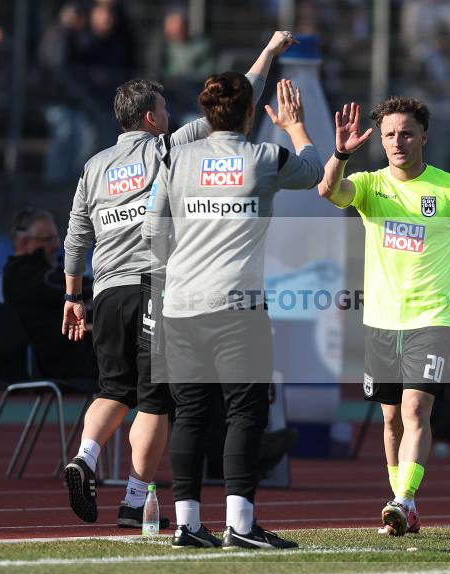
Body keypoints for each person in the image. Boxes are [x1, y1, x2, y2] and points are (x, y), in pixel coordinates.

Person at [60, 32, 297, 530]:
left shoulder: (93, 167)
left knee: (112, 389)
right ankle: (134, 499)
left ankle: (85, 454)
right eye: (164, 108)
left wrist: (73, 294)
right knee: (155, 400)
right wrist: (269, 53)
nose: (169, 115)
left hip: (107, 290)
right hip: (155, 285)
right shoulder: (170, 149)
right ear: (151, 118)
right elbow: (236, 100)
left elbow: (77, 234)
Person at [317, 97, 450, 536]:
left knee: (414, 408)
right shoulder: (369, 185)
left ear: (424, 136)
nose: (397, 142)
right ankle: (403, 505)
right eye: (389, 134)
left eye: (406, 133)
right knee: (390, 419)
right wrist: (340, 154)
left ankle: (404, 499)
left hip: (432, 317)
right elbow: (329, 191)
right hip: (381, 321)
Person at [143, 74, 322, 549]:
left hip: (182, 304)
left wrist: (177, 270)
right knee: (245, 413)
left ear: (205, 114)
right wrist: (295, 126)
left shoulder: (175, 157)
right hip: (239, 308)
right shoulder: (265, 157)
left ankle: (187, 525)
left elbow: (152, 231)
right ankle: (240, 526)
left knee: (189, 414)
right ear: (249, 113)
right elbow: (314, 171)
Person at [1, 207, 95, 380]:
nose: (56, 246)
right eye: (48, 240)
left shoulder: (39, 274)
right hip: (61, 363)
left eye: (56, 238)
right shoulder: (23, 275)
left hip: (70, 356)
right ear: (24, 242)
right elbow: (71, 286)